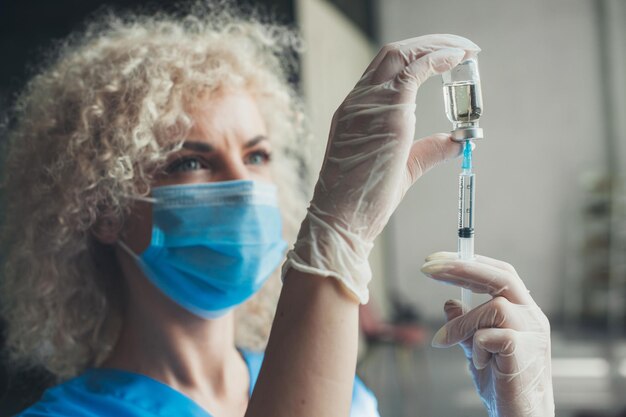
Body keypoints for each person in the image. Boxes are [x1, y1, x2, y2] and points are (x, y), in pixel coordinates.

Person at [0, 3, 553, 416]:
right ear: (102, 206)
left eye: (257, 154)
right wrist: (338, 234)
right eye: (191, 163)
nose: (245, 186)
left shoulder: (349, 393)